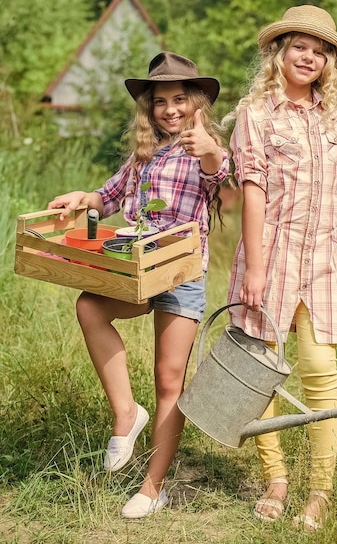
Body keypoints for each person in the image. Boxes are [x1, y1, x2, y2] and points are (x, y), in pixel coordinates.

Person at [224, 5, 337, 531]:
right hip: (271, 255)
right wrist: (254, 266)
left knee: (322, 374)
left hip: (324, 258)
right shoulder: (256, 115)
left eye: (320, 50)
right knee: (260, 374)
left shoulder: (335, 120)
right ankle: (275, 477)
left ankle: (320, 491)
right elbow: (252, 191)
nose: (310, 56)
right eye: (300, 46)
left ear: (328, 63)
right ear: (280, 52)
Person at [48, 52, 229, 518]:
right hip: (135, 269)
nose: (169, 109)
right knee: (90, 306)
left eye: (179, 100)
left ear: (196, 104)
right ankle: (126, 412)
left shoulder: (205, 151)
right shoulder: (142, 155)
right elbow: (106, 199)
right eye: (160, 101)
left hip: (181, 274)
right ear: (149, 109)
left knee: (169, 380)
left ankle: (153, 487)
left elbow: (220, 178)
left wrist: (208, 149)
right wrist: (81, 199)